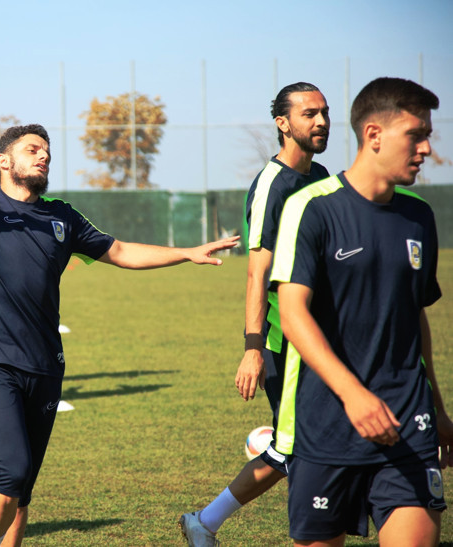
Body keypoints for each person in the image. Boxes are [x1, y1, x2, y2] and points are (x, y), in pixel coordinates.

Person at [0, 59, 239, 547]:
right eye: (32, 149)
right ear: (4, 161)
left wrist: (186, 253)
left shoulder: (62, 216)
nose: (44, 156)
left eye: (48, 151)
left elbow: (120, 251)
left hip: (47, 366)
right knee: (10, 471)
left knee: (23, 491)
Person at [271, 77, 452, 546]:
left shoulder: (419, 217)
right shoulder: (310, 208)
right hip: (327, 424)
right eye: (415, 135)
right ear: (374, 135)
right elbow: (292, 315)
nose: (427, 148)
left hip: (407, 419)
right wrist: (353, 395)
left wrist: (437, 406)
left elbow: (413, 315)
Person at [180, 82, 331, 546]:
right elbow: (256, 272)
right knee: (298, 449)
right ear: (283, 124)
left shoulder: (321, 175)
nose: (321, 121)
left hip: (326, 338)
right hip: (286, 345)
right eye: (309, 114)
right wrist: (253, 349)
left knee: (316, 445)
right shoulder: (273, 185)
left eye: (324, 112)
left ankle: (205, 522)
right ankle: (205, 522)